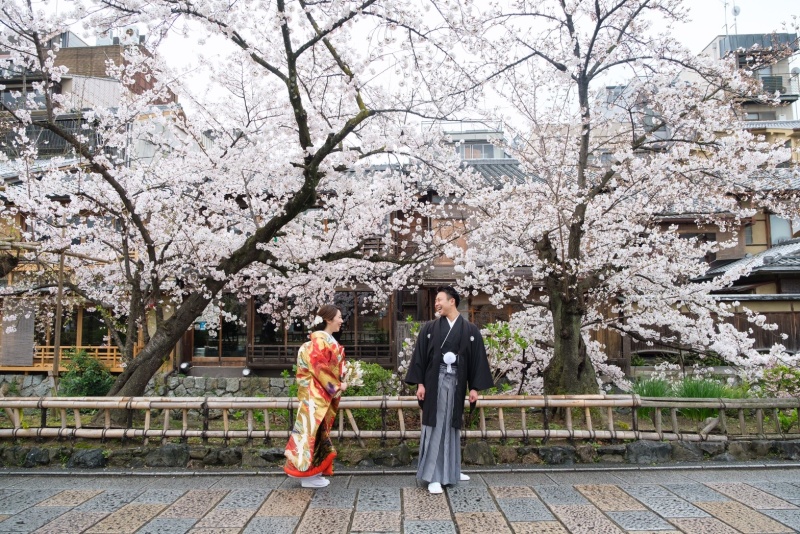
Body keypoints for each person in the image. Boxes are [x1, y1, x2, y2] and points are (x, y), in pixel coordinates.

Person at [404, 286, 493, 494]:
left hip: (457, 383)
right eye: (436, 300)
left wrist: (475, 387)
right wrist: (420, 383)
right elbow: (420, 357)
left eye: (440, 299)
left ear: (452, 301)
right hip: (435, 382)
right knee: (437, 424)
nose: (436, 303)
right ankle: (434, 475)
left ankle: (451, 469)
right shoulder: (430, 328)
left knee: (452, 425)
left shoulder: (470, 330)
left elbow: (475, 360)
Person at [283, 304, 347, 488]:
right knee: (310, 435)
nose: (342, 321)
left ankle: (314, 472)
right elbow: (321, 370)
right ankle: (306, 475)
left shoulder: (325, 340)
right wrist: (337, 385)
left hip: (320, 397)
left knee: (317, 434)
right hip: (316, 397)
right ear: (328, 319)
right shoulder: (318, 342)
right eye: (339, 317)